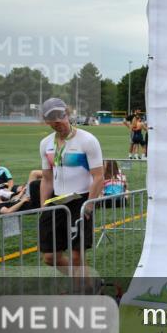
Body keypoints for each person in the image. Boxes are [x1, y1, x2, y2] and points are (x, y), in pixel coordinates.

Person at [39, 97, 104, 270]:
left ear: (67, 114)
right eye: (52, 120)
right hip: (56, 202)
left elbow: (98, 176)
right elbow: (46, 178)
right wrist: (43, 206)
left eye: (60, 118)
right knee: (50, 257)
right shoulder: (46, 144)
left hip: (81, 200)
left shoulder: (87, 140)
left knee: (76, 255)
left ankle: (81, 290)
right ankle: (90, 284)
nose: (57, 123)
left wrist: (88, 205)